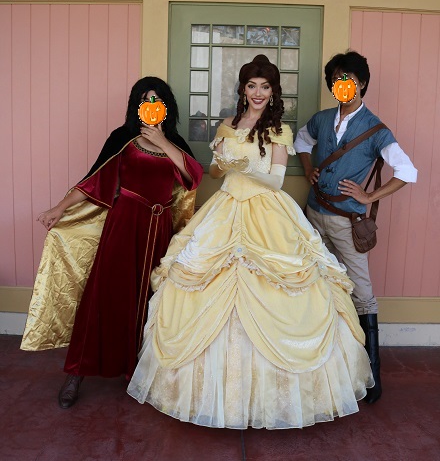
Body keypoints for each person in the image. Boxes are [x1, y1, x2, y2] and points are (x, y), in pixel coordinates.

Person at [127, 55, 374, 429]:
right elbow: (214, 171)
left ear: (273, 92)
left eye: (265, 87)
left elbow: (276, 181)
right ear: (243, 89)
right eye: (252, 86)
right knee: (199, 279)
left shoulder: (279, 130)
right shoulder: (228, 124)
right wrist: (223, 163)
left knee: (283, 286)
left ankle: (275, 396)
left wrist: (247, 169)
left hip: (266, 210)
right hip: (226, 207)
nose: (258, 93)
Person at [20, 77, 204, 409]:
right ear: (137, 106)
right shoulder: (122, 139)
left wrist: (162, 141)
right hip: (124, 224)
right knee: (103, 296)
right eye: (145, 100)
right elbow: (93, 181)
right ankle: (76, 373)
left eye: (158, 100)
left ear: (167, 106)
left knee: (149, 301)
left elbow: (193, 178)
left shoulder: (174, 143)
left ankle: (136, 371)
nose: (151, 105)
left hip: (159, 230)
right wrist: (58, 208)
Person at [294, 51, 418, 404]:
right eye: (336, 80)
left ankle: (371, 374)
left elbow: (407, 172)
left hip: (346, 222)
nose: (342, 85)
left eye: (348, 78)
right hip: (312, 213)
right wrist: (308, 168)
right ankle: (320, 362)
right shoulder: (321, 119)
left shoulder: (376, 130)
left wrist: (369, 196)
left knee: (361, 292)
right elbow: (301, 142)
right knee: (313, 280)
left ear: (361, 83)